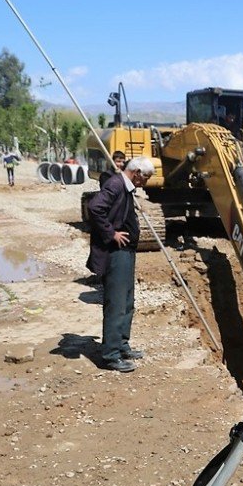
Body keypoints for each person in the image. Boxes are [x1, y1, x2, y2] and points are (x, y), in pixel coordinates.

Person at [86, 156, 155, 372]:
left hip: (126, 252)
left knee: (127, 301)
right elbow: (95, 207)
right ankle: (111, 355)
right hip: (116, 253)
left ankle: (122, 345)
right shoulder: (115, 184)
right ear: (136, 173)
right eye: (145, 178)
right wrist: (111, 233)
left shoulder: (126, 187)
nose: (145, 182)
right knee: (116, 303)